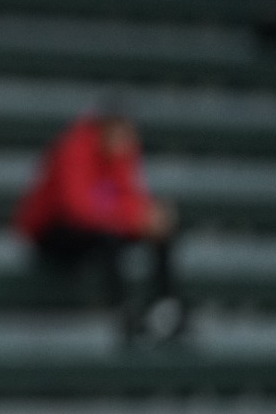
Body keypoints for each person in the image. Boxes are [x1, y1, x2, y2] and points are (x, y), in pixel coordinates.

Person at [15, 107, 181, 345]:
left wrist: (148, 216)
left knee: (162, 231)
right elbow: (76, 208)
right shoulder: (75, 148)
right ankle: (124, 314)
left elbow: (128, 195)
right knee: (110, 237)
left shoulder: (123, 152)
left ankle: (166, 310)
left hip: (100, 225)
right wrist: (132, 217)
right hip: (54, 232)